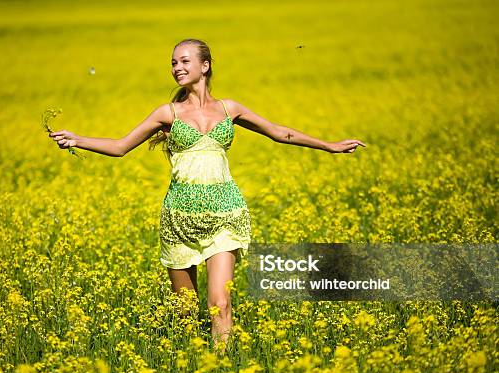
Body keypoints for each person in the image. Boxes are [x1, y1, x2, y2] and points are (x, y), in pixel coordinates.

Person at [48, 38, 366, 353]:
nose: (177, 68)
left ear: (205, 65)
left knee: (221, 303)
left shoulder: (230, 109)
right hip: (179, 219)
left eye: (185, 61)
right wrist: (78, 139)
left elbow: (279, 132)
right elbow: (119, 147)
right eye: (174, 62)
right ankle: (191, 367)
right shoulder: (167, 113)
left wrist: (329, 145)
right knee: (186, 312)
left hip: (225, 216)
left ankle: (220, 369)